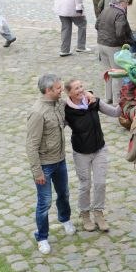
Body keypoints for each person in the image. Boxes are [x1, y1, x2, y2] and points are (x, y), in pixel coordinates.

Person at [26, 74, 76, 255]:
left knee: (64, 193)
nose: (61, 90)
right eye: (57, 88)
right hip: (45, 166)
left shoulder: (58, 104)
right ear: (48, 90)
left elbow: (74, 102)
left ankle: (65, 219)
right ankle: (42, 237)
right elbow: (31, 145)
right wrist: (37, 172)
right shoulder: (38, 113)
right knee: (44, 202)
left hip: (60, 160)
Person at [64, 79, 120, 232]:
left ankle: (98, 213)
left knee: (100, 182)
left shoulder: (93, 101)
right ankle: (85, 214)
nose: (81, 89)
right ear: (69, 93)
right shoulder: (66, 110)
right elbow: (57, 127)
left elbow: (115, 112)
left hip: (99, 149)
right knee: (85, 185)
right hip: (81, 153)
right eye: (76, 88)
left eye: (81, 86)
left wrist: (126, 100)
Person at [95, 0, 135, 104]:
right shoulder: (120, 13)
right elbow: (120, 33)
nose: (127, 5)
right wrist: (125, 44)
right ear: (122, 2)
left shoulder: (105, 9)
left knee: (107, 73)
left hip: (101, 44)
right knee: (117, 74)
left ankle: (108, 97)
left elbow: (96, 25)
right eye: (126, 2)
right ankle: (117, 101)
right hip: (113, 46)